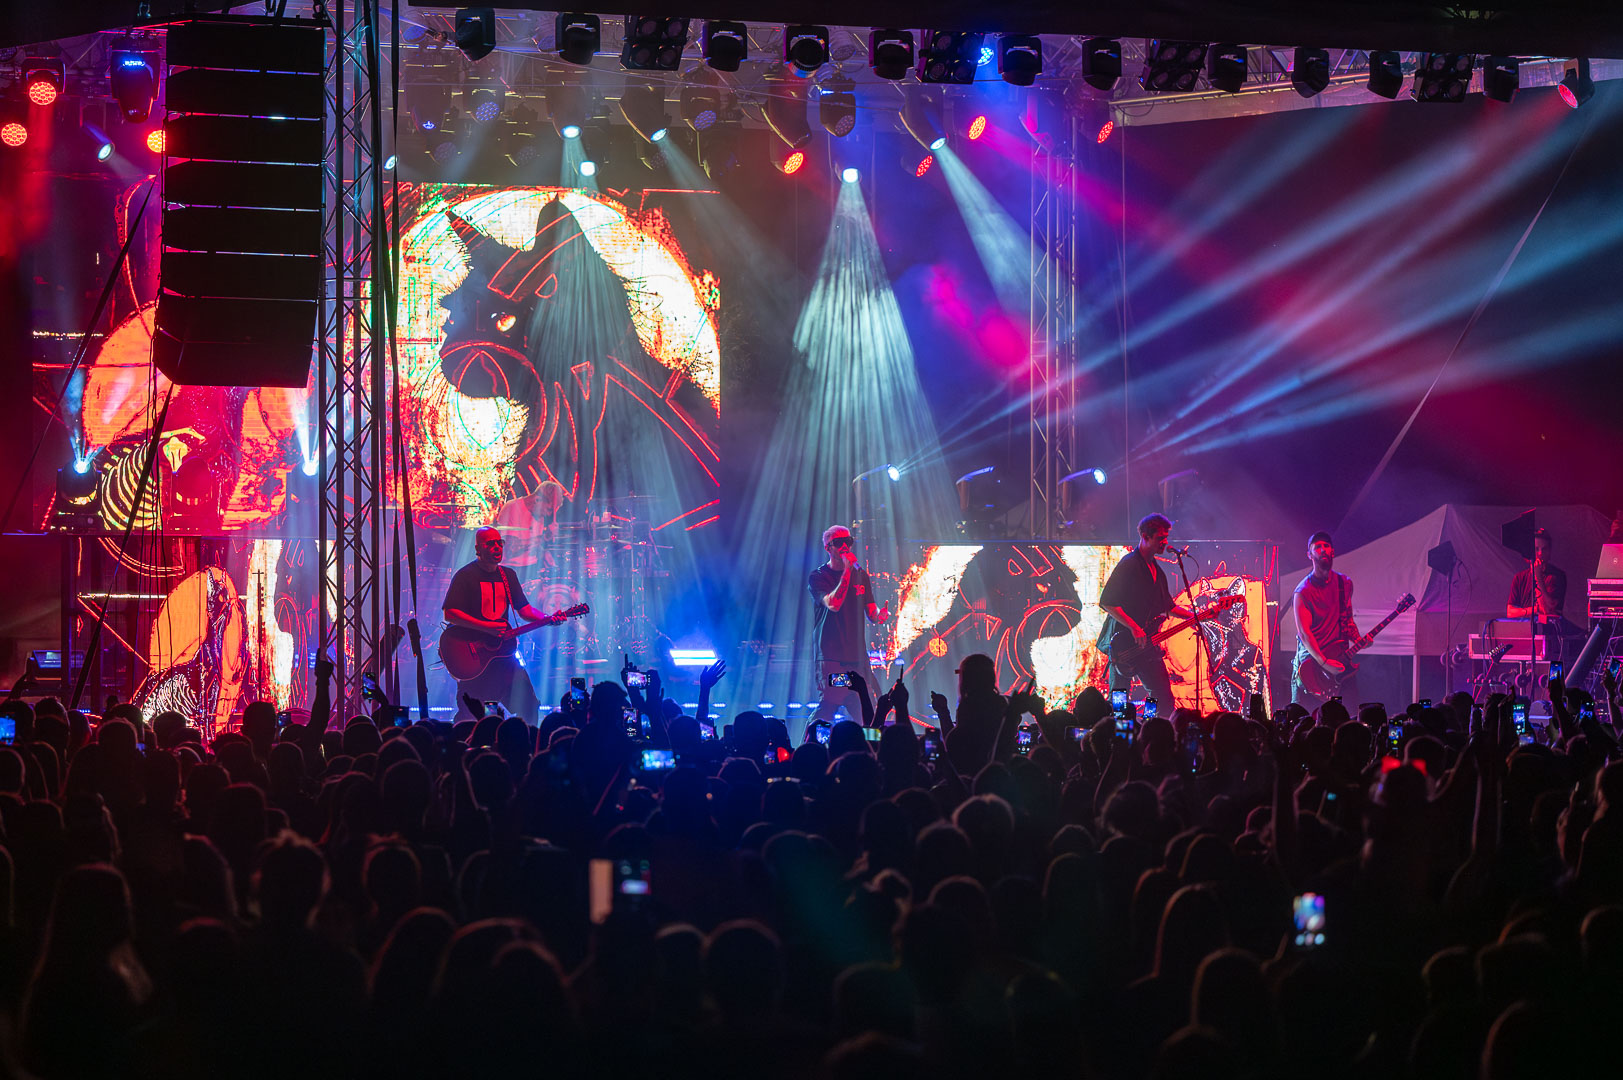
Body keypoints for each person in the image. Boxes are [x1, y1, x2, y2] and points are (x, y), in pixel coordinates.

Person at [441, 526, 556, 719]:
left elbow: (525, 610)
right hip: (476, 659)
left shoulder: (508, 575)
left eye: (499, 543)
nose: (497, 547)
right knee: (474, 715)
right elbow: (450, 613)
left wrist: (548, 618)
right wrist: (486, 627)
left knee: (529, 705)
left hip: (503, 655)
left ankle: (523, 739)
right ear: (478, 549)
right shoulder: (465, 575)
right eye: (490, 544)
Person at [1099, 514, 1196, 707]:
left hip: (1147, 644)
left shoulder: (1157, 571)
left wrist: (1196, 617)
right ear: (1145, 537)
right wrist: (1134, 628)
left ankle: (1151, 722)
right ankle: (1120, 728)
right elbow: (1107, 602)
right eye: (1160, 538)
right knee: (1119, 700)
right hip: (1123, 644)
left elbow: (1168, 607)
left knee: (1161, 695)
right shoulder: (1128, 564)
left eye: (1166, 537)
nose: (1165, 542)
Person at [809, 525, 890, 722]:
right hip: (832, 659)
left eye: (848, 541)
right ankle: (809, 739)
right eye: (839, 543)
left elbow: (871, 611)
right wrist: (847, 570)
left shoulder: (861, 575)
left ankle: (870, 742)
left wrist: (880, 616)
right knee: (831, 703)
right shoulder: (818, 576)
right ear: (828, 548)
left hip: (857, 658)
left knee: (866, 711)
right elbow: (833, 604)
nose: (845, 546)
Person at [1292, 530, 1364, 710]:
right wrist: (1324, 662)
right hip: (1313, 664)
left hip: (1339, 659)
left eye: (1326, 546)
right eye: (1317, 547)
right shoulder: (1303, 591)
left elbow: (1347, 619)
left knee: (1351, 713)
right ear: (1309, 555)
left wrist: (1357, 638)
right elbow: (1304, 633)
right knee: (1311, 717)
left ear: (1333, 551)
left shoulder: (1344, 583)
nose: (1323, 549)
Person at [1505, 527, 1583, 661]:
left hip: (1551, 639)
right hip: (1526, 636)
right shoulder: (1519, 578)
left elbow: (1546, 610)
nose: (1540, 553)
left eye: (1544, 549)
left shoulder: (1557, 576)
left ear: (1549, 552)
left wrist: (1538, 578)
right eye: (1536, 549)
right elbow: (1510, 612)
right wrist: (1534, 610)